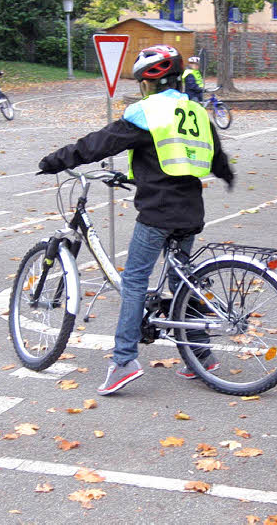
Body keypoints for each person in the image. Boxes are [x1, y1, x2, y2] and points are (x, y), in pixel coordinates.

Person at [37, 44, 235, 396]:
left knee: (135, 283)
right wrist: (228, 177)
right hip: (191, 209)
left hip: (158, 211)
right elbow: (216, 159)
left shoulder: (149, 111)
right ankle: (201, 357)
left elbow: (100, 143)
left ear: (148, 83)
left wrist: (56, 160)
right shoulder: (196, 112)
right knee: (181, 281)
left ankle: (124, 360)